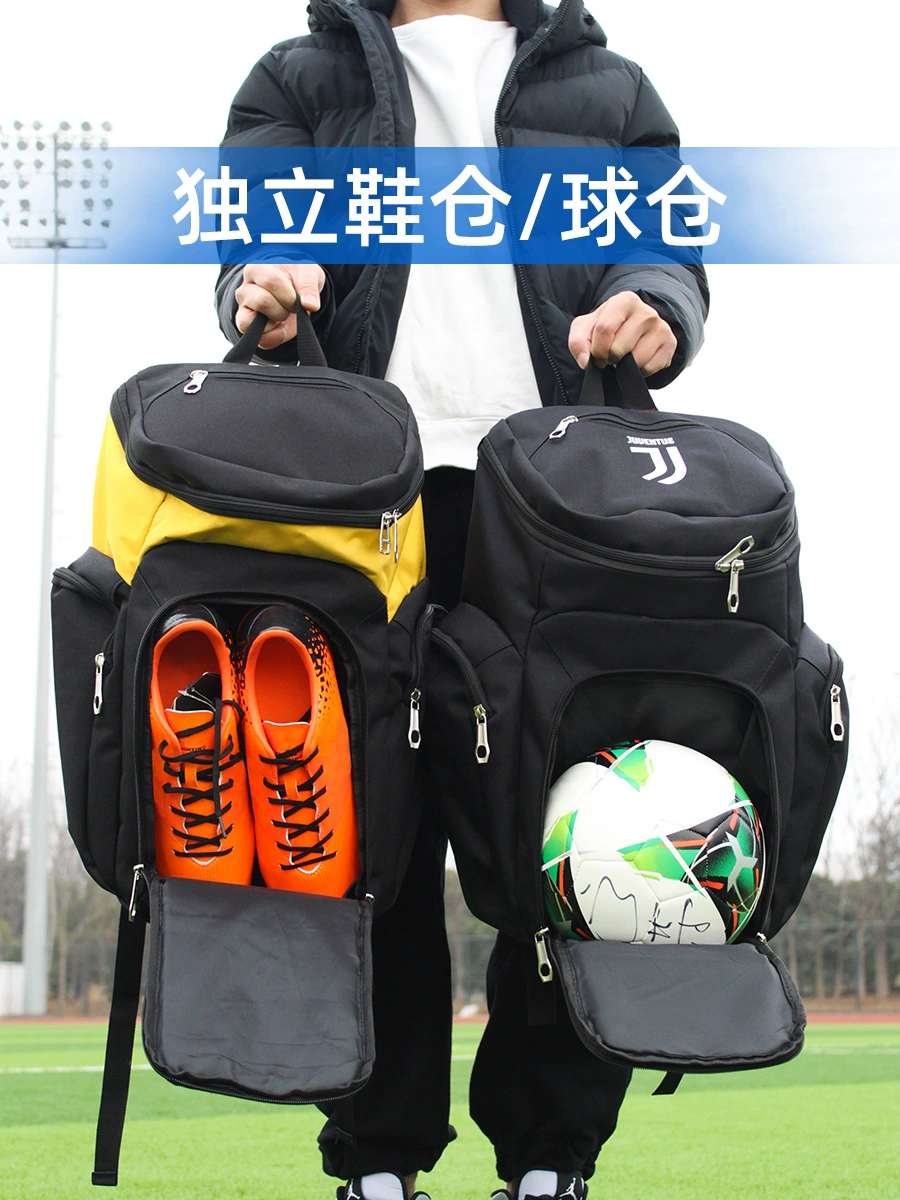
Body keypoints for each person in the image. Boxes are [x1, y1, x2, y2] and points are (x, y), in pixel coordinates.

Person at [216, 1, 709, 1198]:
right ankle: (375, 1162)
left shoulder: (610, 90)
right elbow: (247, 243)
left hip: (556, 498)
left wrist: (656, 302)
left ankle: (550, 1160)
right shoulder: (297, 78)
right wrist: (259, 280)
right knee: (363, 828)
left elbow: (666, 253)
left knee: (571, 826)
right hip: (355, 495)